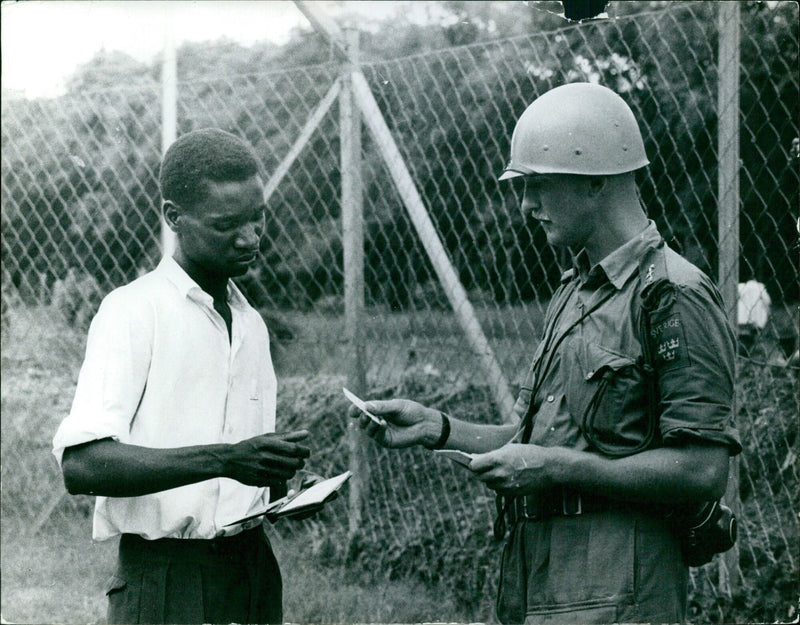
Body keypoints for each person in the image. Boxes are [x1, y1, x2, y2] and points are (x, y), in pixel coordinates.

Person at [352, 83, 741, 624]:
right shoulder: (573, 290)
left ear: (596, 181)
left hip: (620, 591)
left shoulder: (670, 292)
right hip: (537, 577)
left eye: (537, 186)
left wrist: (555, 468)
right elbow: (529, 441)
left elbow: (702, 470)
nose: (526, 206)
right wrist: (436, 427)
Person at [52, 128, 312, 625]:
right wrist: (227, 460)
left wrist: (280, 489)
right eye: (226, 224)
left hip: (253, 569)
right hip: (168, 578)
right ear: (175, 218)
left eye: (258, 218)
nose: (250, 237)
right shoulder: (133, 312)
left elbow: (232, 476)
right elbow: (83, 465)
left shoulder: (251, 324)